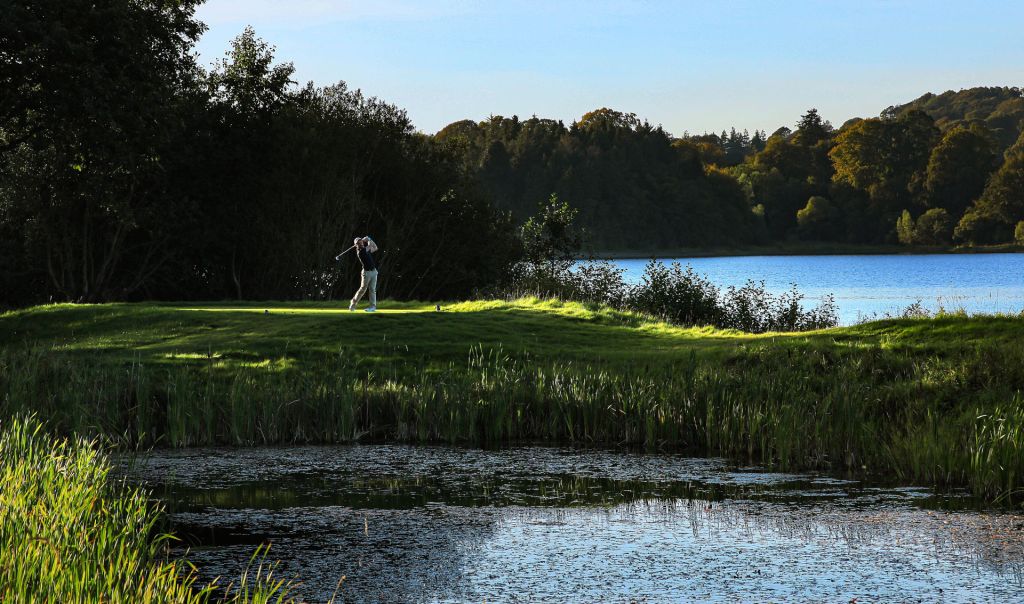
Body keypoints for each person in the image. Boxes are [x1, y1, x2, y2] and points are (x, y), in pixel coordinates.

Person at [349, 236, 378, 312]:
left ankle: (373, 307)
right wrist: (369, 239)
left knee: (372, 290)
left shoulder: (366, 249)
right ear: (356, 245)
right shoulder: (361, 251)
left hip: (374, 272)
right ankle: (353, 304)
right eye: (358, 242)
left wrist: (369, 240)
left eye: (360, 241)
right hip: (366, 273)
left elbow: (375, 247)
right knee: (362, 290)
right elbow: (370, 245)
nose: (360, 242)